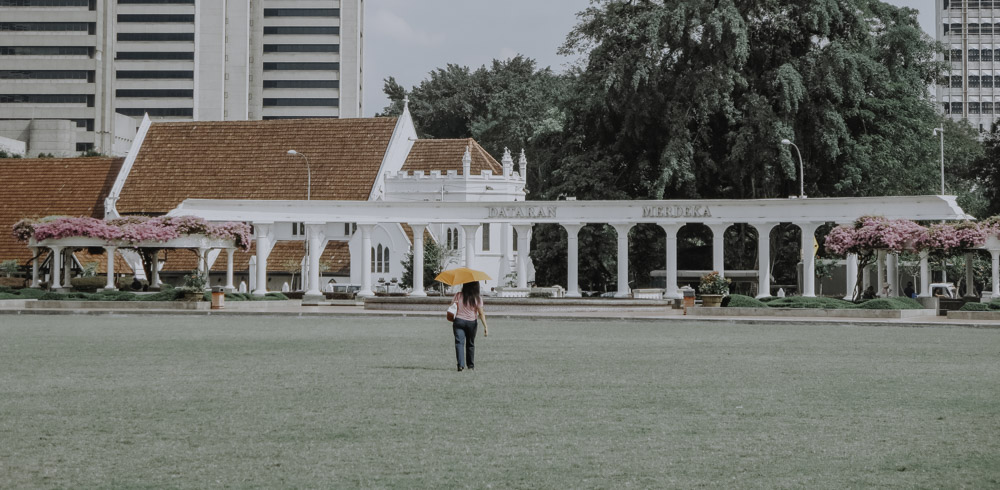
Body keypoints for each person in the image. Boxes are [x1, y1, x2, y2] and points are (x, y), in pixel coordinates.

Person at [451, 281, 485, 372]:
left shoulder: (458, 295)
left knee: (459, 343)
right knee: (470, 344)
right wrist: (485, 327)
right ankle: (470, 365)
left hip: (458, 321)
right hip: (471, 323)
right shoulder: (477, 298)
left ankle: (460, 365)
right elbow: (481, 313)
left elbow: (452, 306)